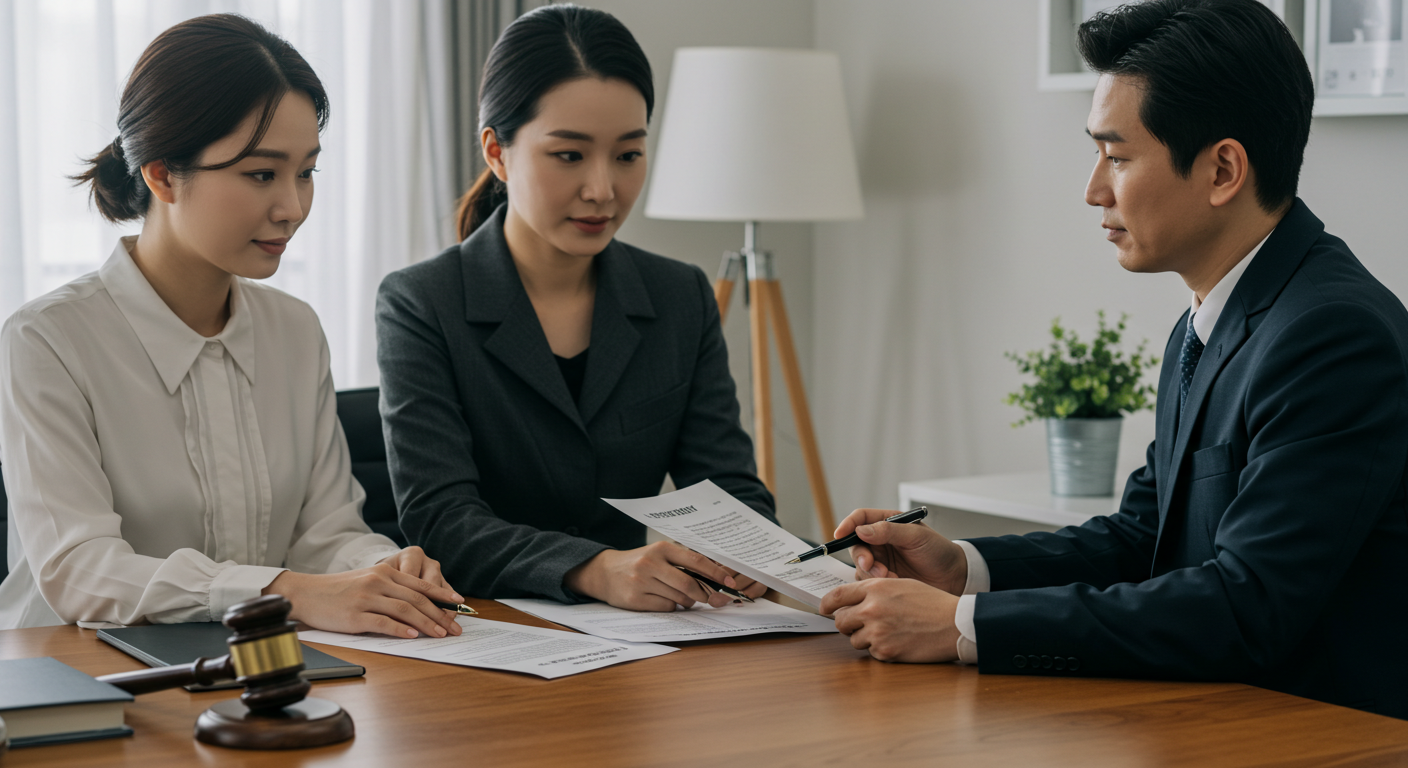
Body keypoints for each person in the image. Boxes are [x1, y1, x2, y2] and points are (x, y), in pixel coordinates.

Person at [820, 0, 1408, 719]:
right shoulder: (1215, 315)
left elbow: (1246, 606)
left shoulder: (1333, 336)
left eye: (1118, 155)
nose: (1094, 189)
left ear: (1223, 169)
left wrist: (958, 628)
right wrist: (965, 570)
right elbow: (1142, 537)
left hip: (1317, 734)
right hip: (1210, 718)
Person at [0, 14, 463, 640]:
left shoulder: (295, 331)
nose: (293, 208)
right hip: (73, 682)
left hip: (253, 671)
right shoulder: (46, 341)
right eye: (261, 174)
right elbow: (78, 571)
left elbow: (327, 534)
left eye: (307, 172)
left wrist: (384, 570)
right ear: (161, 173)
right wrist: (284, 591)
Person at [376, 5, 774, 612]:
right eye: (569, 155)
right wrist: (593, 569)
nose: (602, 190)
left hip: (651, 639)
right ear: (497, 152)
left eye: (627, 155)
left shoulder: (677, 296)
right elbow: (440, 521)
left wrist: (742, 553)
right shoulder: (421, 303)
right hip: (488, 631)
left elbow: (728, 489)